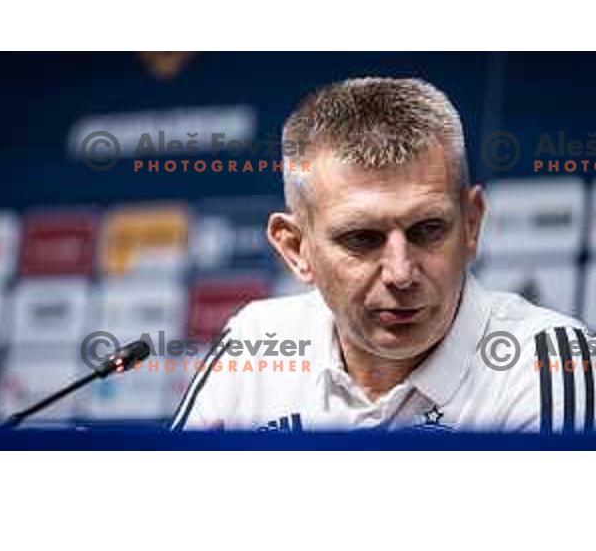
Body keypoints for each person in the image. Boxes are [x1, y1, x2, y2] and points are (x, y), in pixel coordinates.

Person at [172, 77, 594, 434]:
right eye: (361, 238)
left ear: (470, 224)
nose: (401, 273)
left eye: (428, 229)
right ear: (296, 248)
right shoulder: (259, 340)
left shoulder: (550, 360)